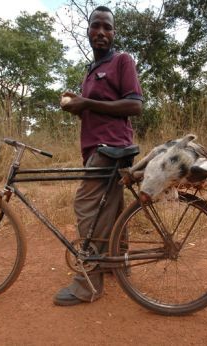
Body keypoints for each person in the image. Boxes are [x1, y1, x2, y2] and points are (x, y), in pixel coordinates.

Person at [55, 5, 143, 306]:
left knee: (87, 207)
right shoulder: (91, 71)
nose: (102, 32)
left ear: (114, 32)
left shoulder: (121, 61)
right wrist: (78, 104)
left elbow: (134, 105)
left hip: (111, 146)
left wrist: (87, 102)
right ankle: (119, 264)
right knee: (113, 208)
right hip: (98, 146)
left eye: (108, 27)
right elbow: (93, 108)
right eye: (96, 26)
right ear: (88, 30)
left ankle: (87, 281)